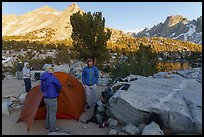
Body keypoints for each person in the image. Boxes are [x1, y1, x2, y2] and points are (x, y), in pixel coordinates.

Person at [40, 64, 62, 132]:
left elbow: (42, 88)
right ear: (48, 69)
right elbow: (59, 86)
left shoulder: (43, 77)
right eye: (51, 68)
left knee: (48, 112)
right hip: (52, 97)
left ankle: (47, 125)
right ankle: (52, 128)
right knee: (52, 113)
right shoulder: (52, 77)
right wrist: (57, 91)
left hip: (46, 97)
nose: (52, 69)